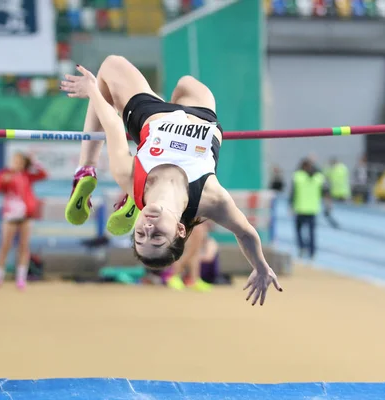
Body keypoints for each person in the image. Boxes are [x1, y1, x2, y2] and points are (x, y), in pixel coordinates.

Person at [60, 57, 281, 305]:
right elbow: (245, 232)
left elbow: (111, 123)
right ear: (180, 229)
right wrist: (261, 266)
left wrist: (92, 90)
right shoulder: (211, 198)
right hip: (201, 116)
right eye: (157, 238)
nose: (148, 229)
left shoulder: (129, 176)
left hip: (151, 117)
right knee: (187, 83)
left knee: (110, 67)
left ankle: (85, 170)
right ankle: (132, 201)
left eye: (140, 235)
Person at [0, 152, 47, 290]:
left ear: (23, 163)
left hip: (26, 215)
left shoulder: (27, 175)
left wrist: (33, 162)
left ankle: (21, 278)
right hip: (10, 216)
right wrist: (1, 181)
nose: (15, 163)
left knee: (23, 247)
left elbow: (44, 174)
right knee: (5, 246)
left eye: (19, 161)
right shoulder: (4, 174)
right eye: (14, 160)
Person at [290, 158, 327, 260]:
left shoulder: (298, 176)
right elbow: (325, 192)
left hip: (301, 208)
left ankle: (302, 248)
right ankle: (312, 252)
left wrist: (291, 205)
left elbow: (293, 193)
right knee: (311, 233)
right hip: (312, 209)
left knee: (299, 231)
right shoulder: (318, 177)